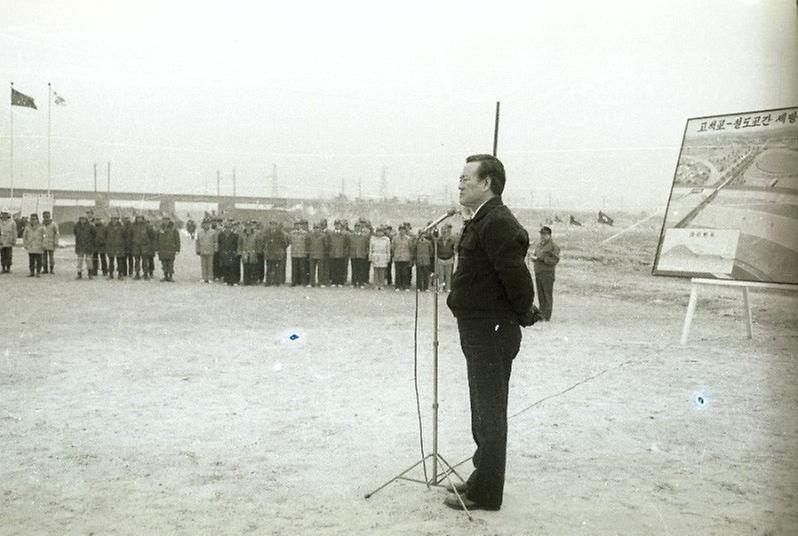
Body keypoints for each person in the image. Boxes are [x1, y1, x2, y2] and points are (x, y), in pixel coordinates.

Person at [444, 154, 535, 512]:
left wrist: (523, 314)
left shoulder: (497, 221)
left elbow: (517, 277)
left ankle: (487, 493)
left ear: (487, 183)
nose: (461, 183)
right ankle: (480, 478)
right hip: (479, 327)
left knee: (490, 411)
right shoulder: (481, 218)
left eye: (467, 178)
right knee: (482, 410)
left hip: (491, 329)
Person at [530, 226, 560, 321]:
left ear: (549, 235)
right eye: (541, 234)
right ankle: (541, 315)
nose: (542, 236)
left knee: (547, 295)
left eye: (545, 234)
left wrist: (540, 259)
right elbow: (536, 255)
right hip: (538, 272)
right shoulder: (539, 245)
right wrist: (533, 258)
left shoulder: (554, 246)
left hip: (547, 274)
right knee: (540, 295)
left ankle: (546, 317)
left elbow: (554, 260)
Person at [156, 216, 181, 281]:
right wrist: (156, 249)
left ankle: (170, 276)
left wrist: (177, 249)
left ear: (169, 220)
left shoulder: (174, 229)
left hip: (171, 249)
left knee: (170, 263)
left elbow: (177, 240)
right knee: (163, 263)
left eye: (167, 220)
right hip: (162, 249)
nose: (165, 221)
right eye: (164, 220)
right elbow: (157, 239)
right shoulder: (160, 229)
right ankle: (165, 276)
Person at [435, 223, 456, 291]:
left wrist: (452, 257)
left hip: (449, 259)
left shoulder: (452, 240)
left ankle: (448, 287)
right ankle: (441, 287)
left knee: (448, 275)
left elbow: (453, 249)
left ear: (448, 232)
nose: (444, 233)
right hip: (441, 259)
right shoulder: (438, 240)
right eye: (443, 232)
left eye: (445, 232)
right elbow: (437, 250)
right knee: (441, 275)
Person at [195, 219, 218, 283]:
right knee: (203, 265)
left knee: (210, 265)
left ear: (209, 224)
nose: (206, 225)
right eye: (204, 224)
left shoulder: (213, 232)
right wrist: (197, 250)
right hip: (202, 250)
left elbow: (215, 241)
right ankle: (204, 277)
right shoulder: (199, 232)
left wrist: (216, 249)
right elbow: (197, 242)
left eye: (207, 223)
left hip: (210, 250)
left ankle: (210, 278)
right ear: (202, 224)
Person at [368, 226, 391, 290]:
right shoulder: (373, 239)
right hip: (375, 255)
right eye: (378, 232)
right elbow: (371, 248)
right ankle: (375, 284)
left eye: (381, 232)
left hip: (383, 255)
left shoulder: (386, 239)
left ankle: (381, 284)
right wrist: (370, 256)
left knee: (382, 271)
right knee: (376, 270)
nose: (379, 233)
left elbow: (388, 249)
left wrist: (388, 257)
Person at [73, 214, 95, 279]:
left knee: (89, 261)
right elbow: (75, 233)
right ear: (79, 219)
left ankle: (90, 274)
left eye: (84, 219)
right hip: (80, 246)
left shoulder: (91, 226)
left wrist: (91, 242)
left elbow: (94, 234)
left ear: (86, 219)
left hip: (89, 246)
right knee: (79, 261)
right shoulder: (76, 226)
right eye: (81, 219)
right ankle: (79, 274)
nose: (82, 220)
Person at [0, 208, 18, 273]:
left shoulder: (12, 222)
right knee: (2, 255)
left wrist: (14, 240)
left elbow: (14, 232)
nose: (4, 215)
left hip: (9, 241)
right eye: (3, 213)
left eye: (6, 213)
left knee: (9, 255)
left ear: (8, 214)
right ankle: (3, 268)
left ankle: (8, 268)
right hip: (1, 241)